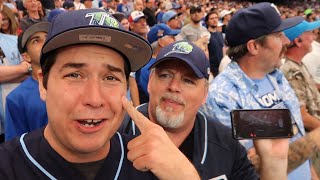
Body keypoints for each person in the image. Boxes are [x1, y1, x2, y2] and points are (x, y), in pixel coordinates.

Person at [0, 9, 200, 179]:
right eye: (75, 75)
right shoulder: (7, 167)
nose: (94, 99)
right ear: (43, 85)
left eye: (110, 78)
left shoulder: (154, 165)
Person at [120, 40, 290, 179]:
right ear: (150, 81)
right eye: (165, 75)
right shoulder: (115, 135)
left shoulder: (225, 143)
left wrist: (274, 164)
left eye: (188, 80)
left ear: (205, 95)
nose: (174, 87)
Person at [200, 2, 312, 179]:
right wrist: (314, 142)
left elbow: (297, 132)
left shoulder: (276, 76)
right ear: (254, 46)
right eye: (278, 35)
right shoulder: (222, 96)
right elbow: (247, 166)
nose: (286, 41)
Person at [280, 19, 320, 176]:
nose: (313, 36)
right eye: (309, 33)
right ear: (298, 41)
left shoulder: (298, 65)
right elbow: (302, 116)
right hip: (312, 140)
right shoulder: (290, 70)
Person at [5, 22, 49, 141]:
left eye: (48, 37)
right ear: (26, 57)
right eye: (36, 40)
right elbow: (14, 147)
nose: (45, 42)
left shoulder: (74, 83)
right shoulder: (16, 98)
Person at [0, 12, 31, 143]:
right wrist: (21, 69)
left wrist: (25, 69)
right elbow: (26, 68)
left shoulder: (13, 41)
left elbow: (30, 70)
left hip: (17, 114)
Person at [135, 23, 180, 104]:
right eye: (171, 37)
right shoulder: (146, 68)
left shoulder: (169, 61)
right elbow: (155, 97)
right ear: (161, 42)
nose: (175, 40)